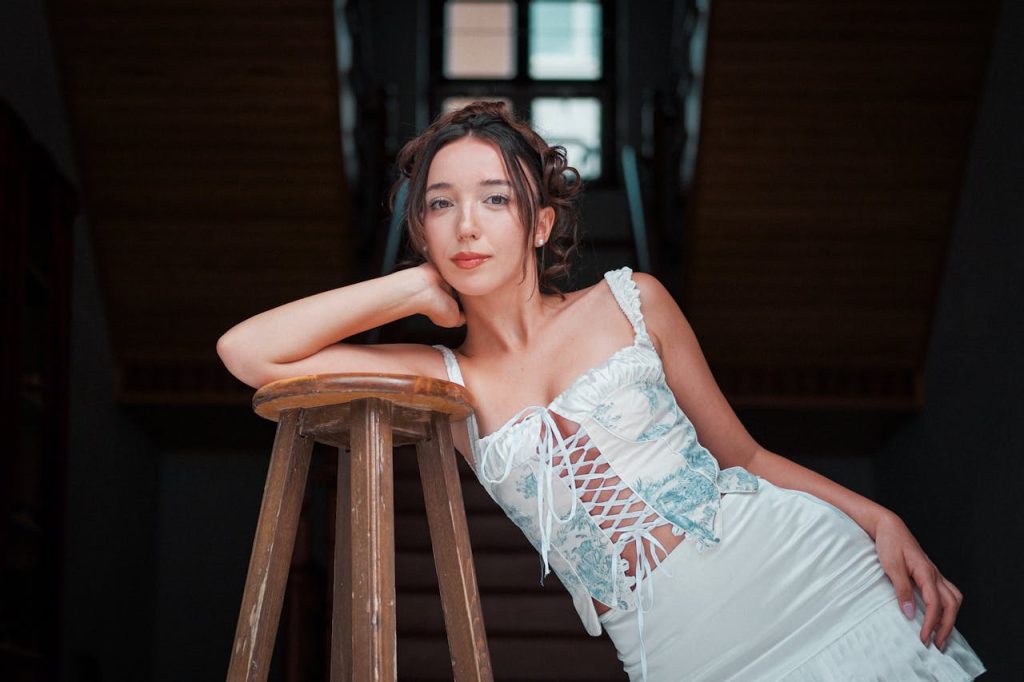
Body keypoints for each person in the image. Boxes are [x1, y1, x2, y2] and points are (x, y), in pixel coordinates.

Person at [216, 101, 985, 681]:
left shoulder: (632, 300)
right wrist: (407, 289)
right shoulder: (447, 381)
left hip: (821, 585)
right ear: (421, 229)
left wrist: (881, 519)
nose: (466, 226)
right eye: (440, 204)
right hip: (686, 658)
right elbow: (246, 352)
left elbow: (745, 454)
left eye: (495, 198)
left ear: (541, 222)